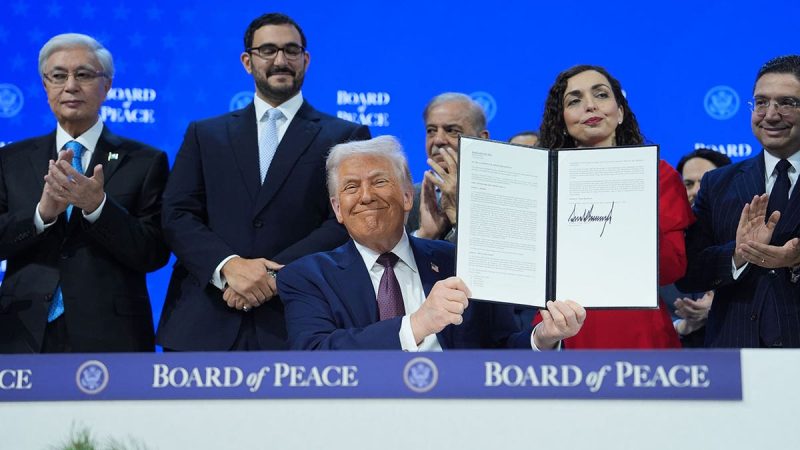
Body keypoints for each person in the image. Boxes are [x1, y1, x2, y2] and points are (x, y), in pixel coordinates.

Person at [157, 13, 370, 351]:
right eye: (268, 50)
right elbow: (177, 213)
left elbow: (345, 221)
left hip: (299, 321)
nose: (280, 60)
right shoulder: (205, 134)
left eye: (291, 50)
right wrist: (228, 267)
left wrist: (273, 276)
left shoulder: (345, 135)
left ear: (306, 60)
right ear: (248, 61)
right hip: (204, 321)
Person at [278, 136, 585, 350]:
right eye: (351, 187)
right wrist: (417, 324)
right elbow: (313, 355)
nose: (366, 196)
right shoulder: (307, 277)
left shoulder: (461, 263)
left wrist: (543, 338)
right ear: (337, 208)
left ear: (407, 196)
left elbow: (501, 349)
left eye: (380, 181)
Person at [0, 33, 169, 353]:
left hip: (111, 335)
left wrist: (98, 207)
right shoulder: (10, 160)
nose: (71, 86)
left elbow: (154, 252)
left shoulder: (145, 161)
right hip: (21, 330)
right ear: (45, 85)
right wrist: (41, 215)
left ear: (107, 86)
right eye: (58, 76)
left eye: (84, 75)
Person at [535, 64, 694, 349]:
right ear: (563, 121)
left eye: (601, 95)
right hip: (564, 327)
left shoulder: (658, 175)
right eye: (574, 100)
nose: (590, 105)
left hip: (642, 333)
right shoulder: (544, 181)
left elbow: (672, 268)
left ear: (620, 112)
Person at [677, 55, 800, 348]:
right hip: (734, 356)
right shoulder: (717, 183)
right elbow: (688, 273)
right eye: (761, 102)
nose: (771, 115)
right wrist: (738, 253)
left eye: (786, 103)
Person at [662, 149, 731, 346]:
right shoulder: (662, 244)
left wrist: (718, 306)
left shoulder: (746, 239)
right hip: (671, 356)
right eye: (688, 184)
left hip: (735, 352)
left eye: (705, 182)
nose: (696, 191)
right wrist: (681, 326)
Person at [405, 93, 489, 242]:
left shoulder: (498, 197)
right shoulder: (407, 198)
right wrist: (423, 235)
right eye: (431, 130)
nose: (438, 140)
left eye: (452, 130)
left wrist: (458, 219)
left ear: (481, 139)